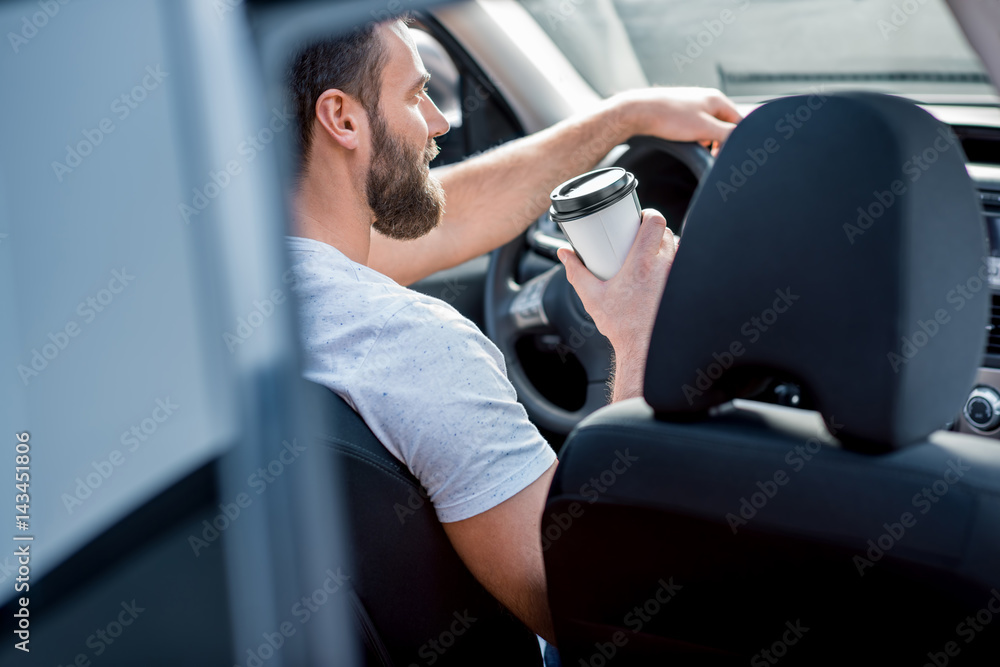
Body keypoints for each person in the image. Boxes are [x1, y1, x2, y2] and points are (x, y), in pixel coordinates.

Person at [286, 17, 742, 643]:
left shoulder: (218, 297)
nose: (440, 123)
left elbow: (447, 222)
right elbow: (603, 612)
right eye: (417, 95)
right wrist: (640, 333)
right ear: (342, 119)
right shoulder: (409, 344)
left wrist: (622, 117)